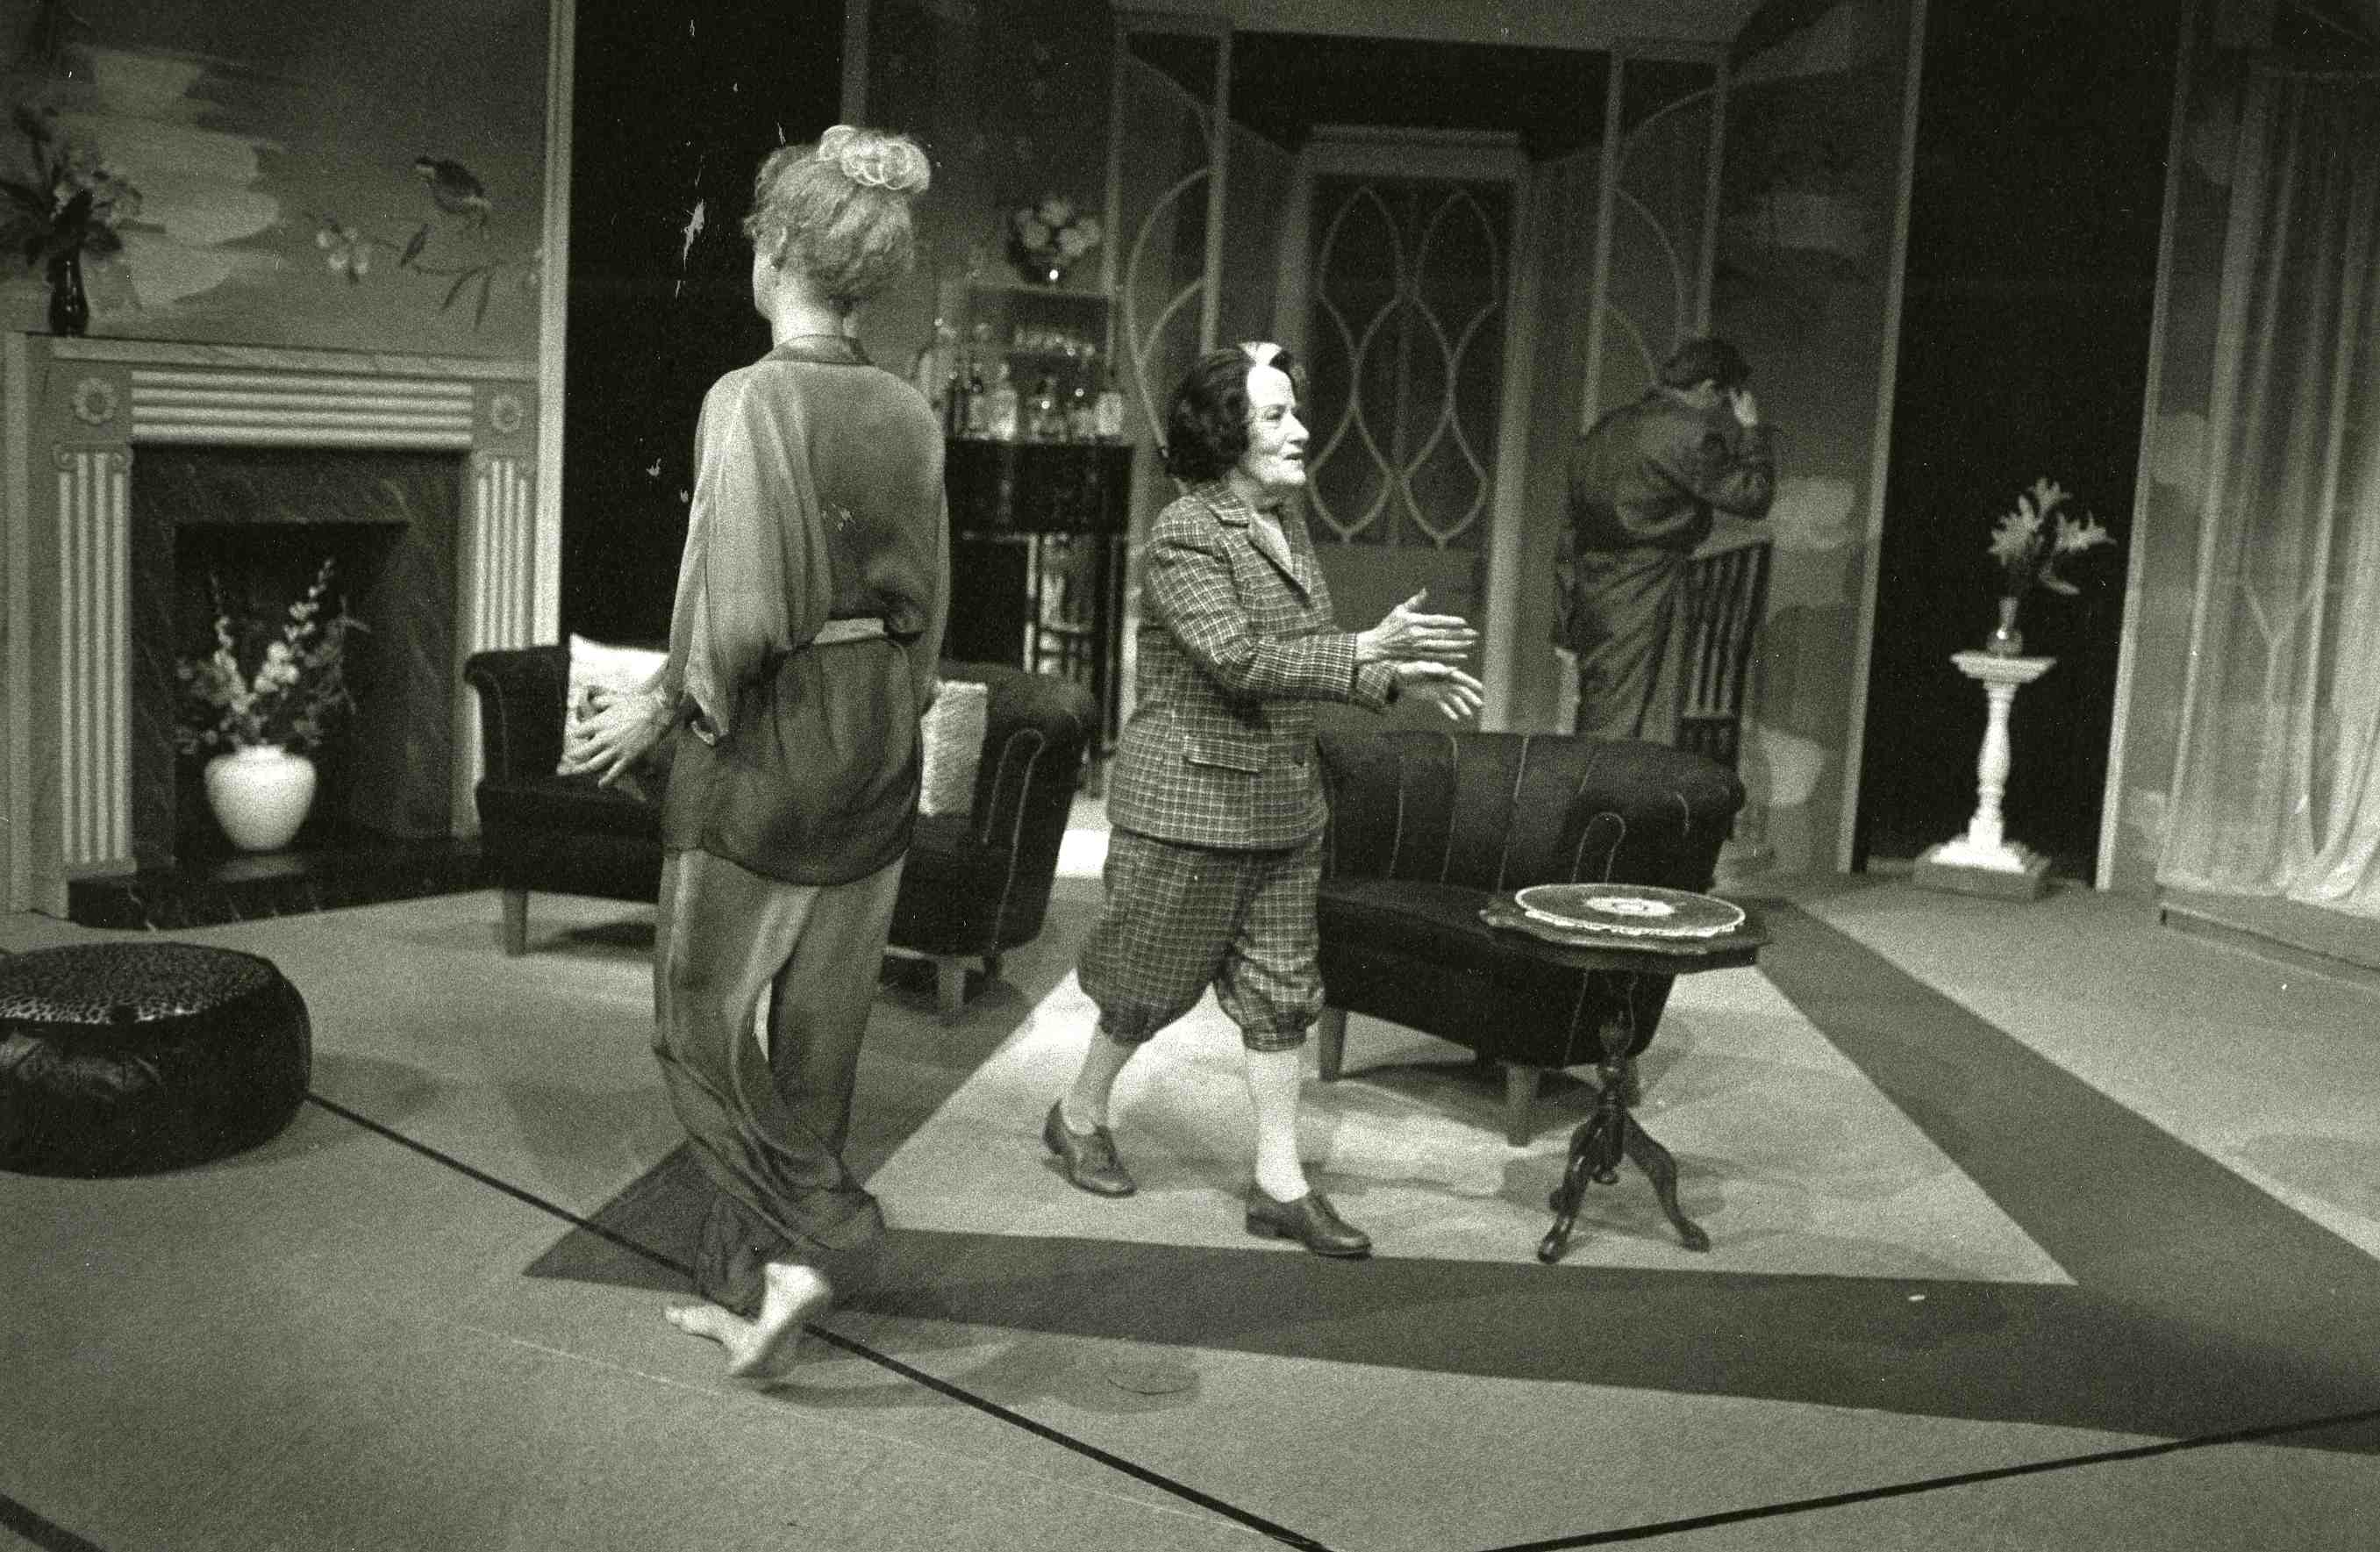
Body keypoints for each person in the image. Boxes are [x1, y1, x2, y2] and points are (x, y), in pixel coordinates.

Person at [561, 125, 943, 1378]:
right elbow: (930, 607)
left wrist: (662, 708)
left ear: (776, 249)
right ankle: (750, 1287)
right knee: (819, 1041)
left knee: (697, 1025)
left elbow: (734, 614)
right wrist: (884, 720)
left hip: (769, 742)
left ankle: (822, 1228)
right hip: (879, 737)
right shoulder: (906, 407)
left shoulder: (749, 397)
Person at [1044, 343, 1484, 1258]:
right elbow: (1239, 659)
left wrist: (1385, 675)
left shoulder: (1283, 522)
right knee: (1144, 984)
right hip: (1192, 805)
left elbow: (1295, 655)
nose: (1301, 431)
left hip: (1284, 802)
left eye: (1294, 412)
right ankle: (1079, 1113)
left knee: (1282, 994)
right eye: (1277, 415)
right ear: (1225, 432)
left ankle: (1280, 1183)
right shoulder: (1185, 533)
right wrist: (1363, 648)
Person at [1556, 335, 1776, 742]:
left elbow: (1570, 533)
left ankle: (1595, 783)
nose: (1719, 413)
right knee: (1635, 729)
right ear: (1710, 388)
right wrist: (1751, 431)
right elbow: (1753, 496)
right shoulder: (1690, 433)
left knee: (1602, 717)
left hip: (1594, 593)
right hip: (1649, 588)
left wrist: (1564, 625)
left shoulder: (1605, 429)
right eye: (1723, 400)